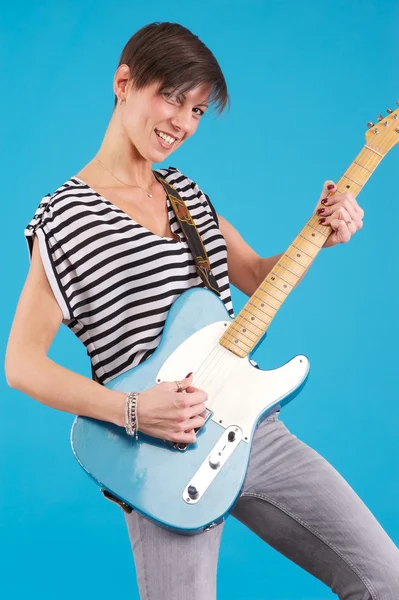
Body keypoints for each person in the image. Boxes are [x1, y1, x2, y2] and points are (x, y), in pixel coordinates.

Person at [5, 21, 399, 600]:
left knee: (386, 579)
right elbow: (22, 364)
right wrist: (134, 409)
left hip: (254, 430)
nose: (182, 124)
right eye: (171, 97)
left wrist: (320, 231)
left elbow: (258, 277)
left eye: (196, 111)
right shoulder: (64, 217)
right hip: (158, 454)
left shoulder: (187, 195)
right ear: (123, 82)